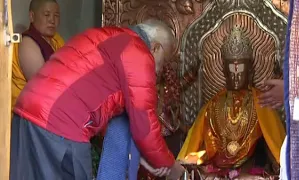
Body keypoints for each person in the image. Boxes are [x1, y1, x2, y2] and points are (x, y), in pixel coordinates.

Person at [10, 19, 185, 180]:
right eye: (163, 61)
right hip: (60, 124)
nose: (159, 69)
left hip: (26, 112)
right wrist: (170, 165)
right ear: (155, 48)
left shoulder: (105, 35)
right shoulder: (138, 53)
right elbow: (144, 124)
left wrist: (144, 158)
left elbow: (100, 102)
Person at [177, 26, 286, 179]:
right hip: (217, 171)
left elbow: (274, 145)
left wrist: (279, 165)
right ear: (224, 72)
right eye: (231, 71)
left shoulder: (261, 103)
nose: (235, 77)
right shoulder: (213, 105)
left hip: (249, 171)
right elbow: (198, 147)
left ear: (250, 71)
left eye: (240, 71)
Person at [11, 0, 64, 111]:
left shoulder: (56, 40)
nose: (52, 20)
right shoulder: (28, 43)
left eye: (56, 15)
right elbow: (42, 88)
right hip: (31, 113)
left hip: (54, 104)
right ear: (32, 16)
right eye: (46, 15)